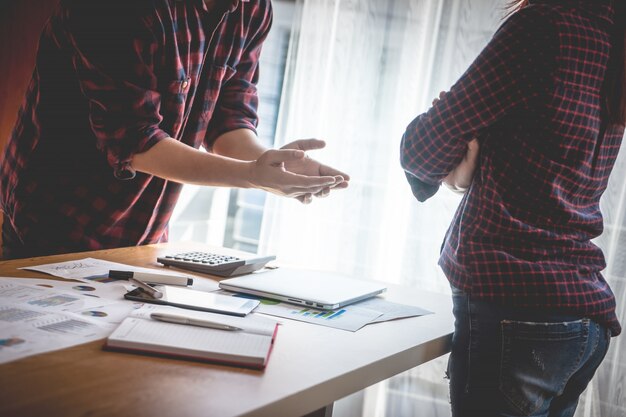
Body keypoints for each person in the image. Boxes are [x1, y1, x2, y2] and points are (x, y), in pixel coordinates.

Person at [400, 0, 624, 416]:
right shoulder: (613, 36)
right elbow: (548, 152)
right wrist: (471, 170)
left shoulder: (545, 25)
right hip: (582, 318)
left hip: (516, 309)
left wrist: (454, 166)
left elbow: (426, 145)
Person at [0, 0, 349, 259]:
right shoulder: (116, 8)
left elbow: (228, 119)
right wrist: (252, 176)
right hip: (52, 225)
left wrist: (273, 165)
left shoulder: (252, 10)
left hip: (145, 233)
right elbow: (136, 142)